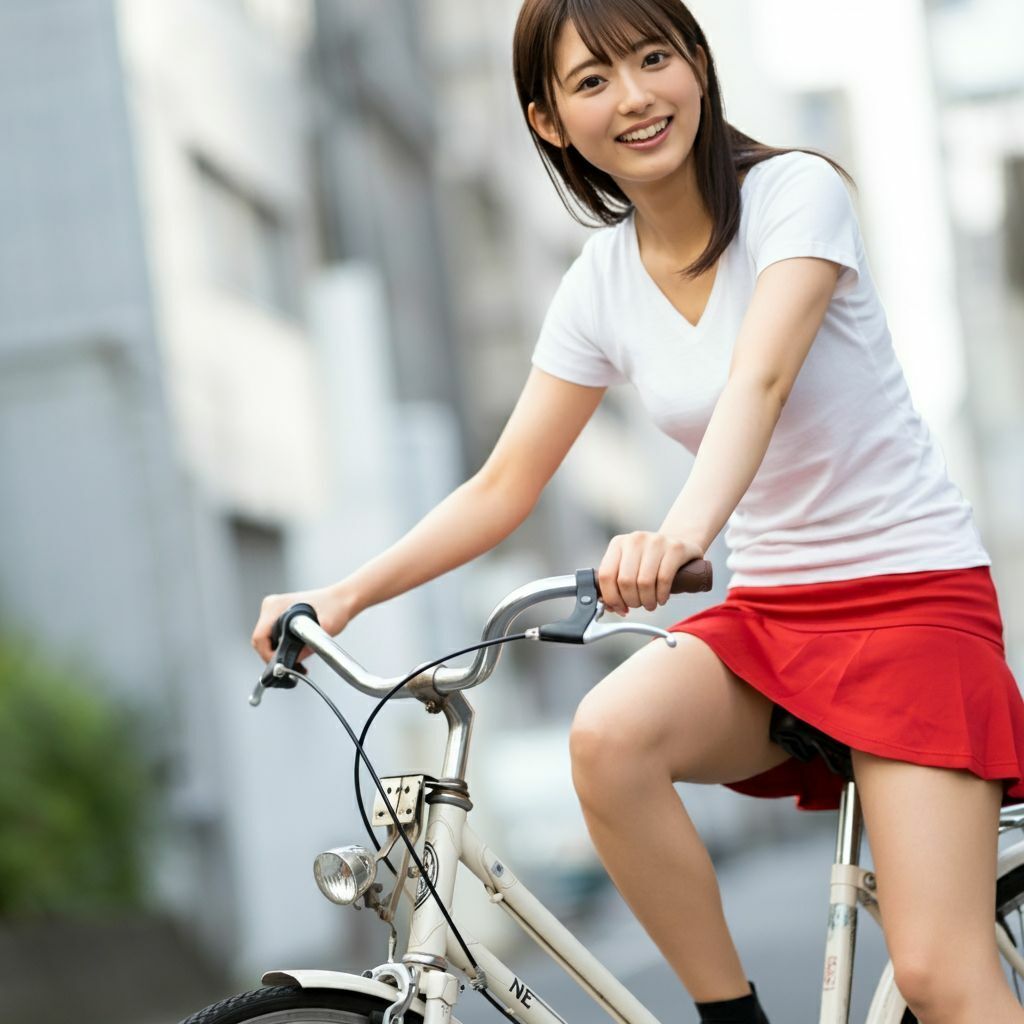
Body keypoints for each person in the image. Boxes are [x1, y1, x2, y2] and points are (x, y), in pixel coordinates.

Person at [252, 1, 1024, 1021]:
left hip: (911, 604)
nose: (635, 98)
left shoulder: (795, 193)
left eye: (654, 58)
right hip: (775, 620)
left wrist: (681, 535)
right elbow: (503, 485)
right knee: (607, 736)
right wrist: (342, 593)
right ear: (548, 121)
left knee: (938, 973)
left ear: (698, 65)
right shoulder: (600, 282)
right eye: (592, 82)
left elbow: (758, 382)